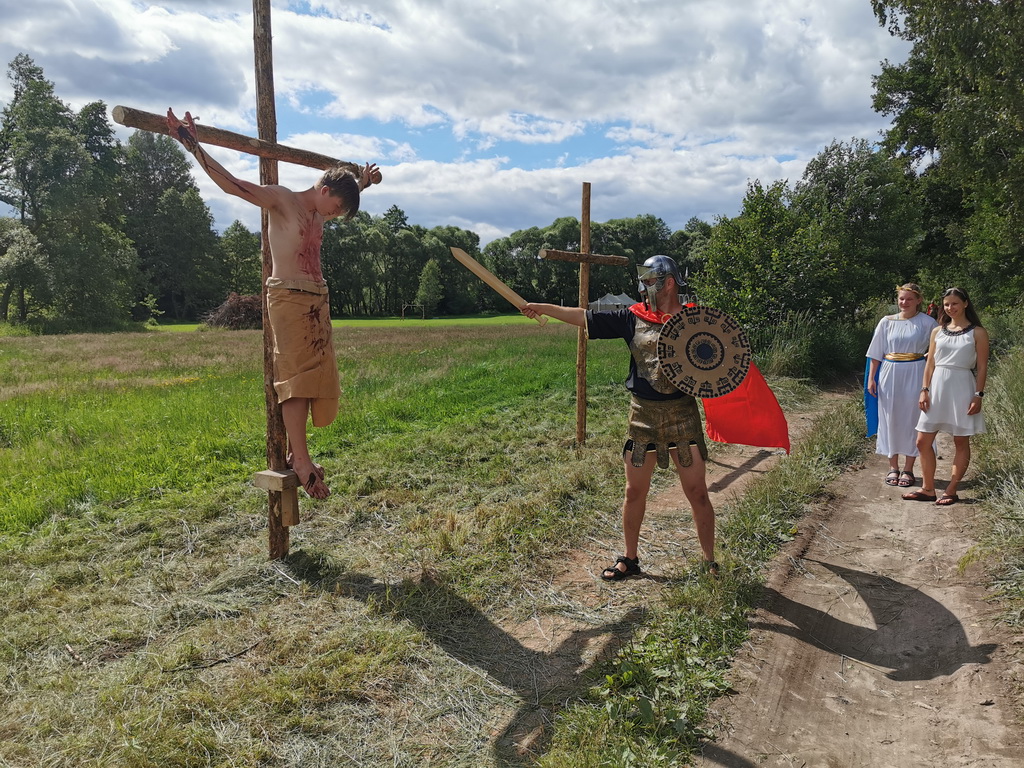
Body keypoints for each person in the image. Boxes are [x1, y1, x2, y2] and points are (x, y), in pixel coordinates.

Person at [166, 108, 381, 499]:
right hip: (288, 298)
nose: (335, 215)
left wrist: (361, 184)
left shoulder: (319, 213)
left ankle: (300, 452)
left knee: (319, 380)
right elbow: (233, 185)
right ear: (324, 190)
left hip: (317, 300)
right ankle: (302, 461)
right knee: (295, 380)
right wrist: (191, 144)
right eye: (337, 207)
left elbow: (340, 195)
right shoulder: (282, 201)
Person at [520, 255, 717, 579]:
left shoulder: (695, 320)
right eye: (643, 281)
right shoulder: (632, 317)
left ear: (668, 283)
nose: (643, 288)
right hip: (642, 416)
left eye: (649, 281)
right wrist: (542, 307)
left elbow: (719, 360)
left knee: (697, 492)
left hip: (682, 414)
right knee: (634, 492)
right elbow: (583, 316)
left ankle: (709, 563)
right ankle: (630, 558)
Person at [902, 287, 989, 506]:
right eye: (947, 304)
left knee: (960, 440)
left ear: (965, 303)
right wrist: (924, 389)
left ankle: (951, 489)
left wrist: (978, 395)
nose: (950, 308)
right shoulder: (937, 331)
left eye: (955, 303)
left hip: (962, 387)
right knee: (922, 441)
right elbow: (930, 364)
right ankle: (928, 489)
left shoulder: (978, 332)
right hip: (936, 387)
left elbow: (982, 367)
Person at [865, 283, 937, 488]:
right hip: (889, 373)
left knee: (912, 418)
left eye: (909, 299)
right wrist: (871, 378)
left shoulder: (928, 322)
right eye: (901, 299)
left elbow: (938, 347)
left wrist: (928, 358)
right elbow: (876, 352)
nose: (904, 302)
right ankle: (893, 467)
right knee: (890, 417)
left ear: (918, 300)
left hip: (915, 372)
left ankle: (908, 468)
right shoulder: (887, 322)